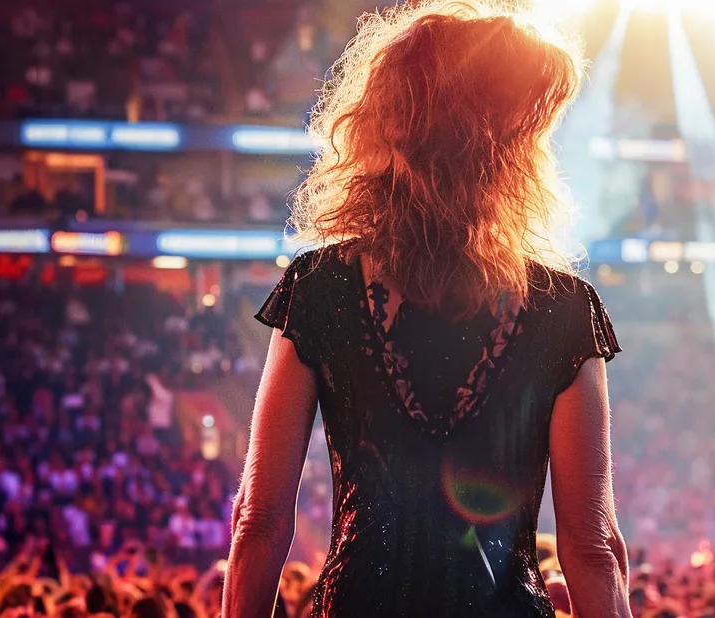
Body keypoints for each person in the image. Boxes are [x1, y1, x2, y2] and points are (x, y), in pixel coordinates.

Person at [222, 1, 630, 617]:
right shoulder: (565, 310)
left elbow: (258, 521)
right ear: (511, 150)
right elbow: (594, 549)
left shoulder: (318, 288)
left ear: (385, 128)